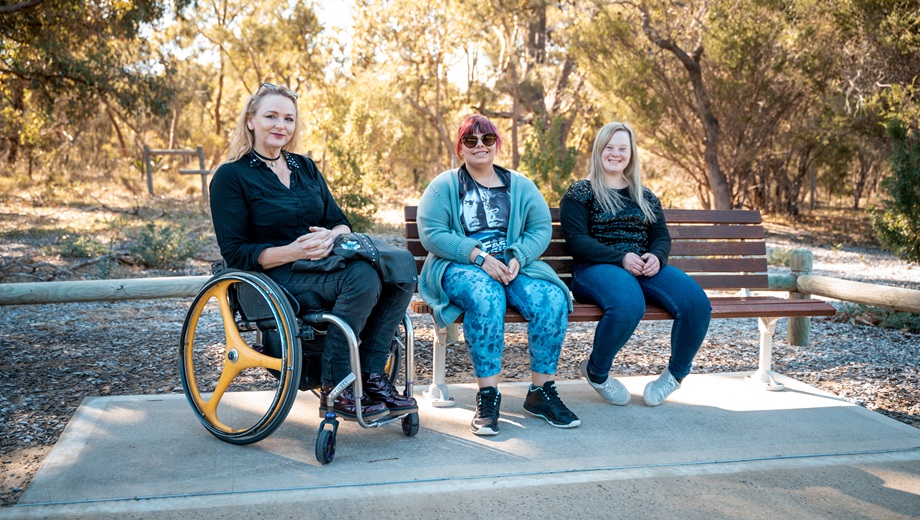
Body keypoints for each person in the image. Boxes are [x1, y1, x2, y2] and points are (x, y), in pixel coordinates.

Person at [209, 83, 417, 421]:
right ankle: (337, 386)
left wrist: (332, 237)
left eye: (288, 119)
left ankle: (372, 376)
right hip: (277, 276)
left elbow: (340, 221)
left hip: (323, 263)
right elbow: (236, 252)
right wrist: (291, 251)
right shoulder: (231, 177)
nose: (281, 125)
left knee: (400, 269)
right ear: (250, 121)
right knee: (362, 278)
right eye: (271, 116)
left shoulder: (305, 168)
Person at [417, 114, 579, 436]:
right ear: (460, 147)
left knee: (550, 298)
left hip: (512, 265)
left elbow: (540, 228)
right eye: (471, 140)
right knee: (485, 296)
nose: (480, 145)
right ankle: (488, 395)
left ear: (497, 144)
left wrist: (520, 255)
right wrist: (477, 256)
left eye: (487, 139)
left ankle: (541, 392)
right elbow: (431, 233)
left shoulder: (519, 184)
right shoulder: (445, 185)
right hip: (461, 266)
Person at [559, 121, 712, 407]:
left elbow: (660, 235)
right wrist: (620, 257)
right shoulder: (581, 192)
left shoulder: (644, 194)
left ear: (631, 154)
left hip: (642, 267)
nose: (615, 154)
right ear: (598, 150)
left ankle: (674, 376)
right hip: (594, 269)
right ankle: (597, 371)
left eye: (622, 148)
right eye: (609, 147)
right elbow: (577, 240)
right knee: (629, 304)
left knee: (696, 303)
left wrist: (656, 257)